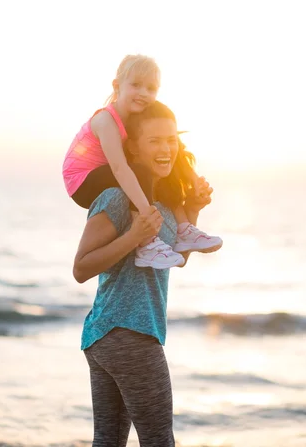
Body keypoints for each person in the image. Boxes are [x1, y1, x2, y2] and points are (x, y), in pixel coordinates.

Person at [73, 101, 216, 447]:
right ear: (132, 148)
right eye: (154, 141)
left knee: (108, 441)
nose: (166, 149)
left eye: (171, 140)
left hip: (112, 336)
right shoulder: (116, 198)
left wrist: (193, 211)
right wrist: (133, 238)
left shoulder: (165, 207)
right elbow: (81, 268)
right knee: (158, 440)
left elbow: (175, 261)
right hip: (127, 332)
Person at [63, 54, 222, 270]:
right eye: (136, 85)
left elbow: (177, 147)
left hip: (108, 172)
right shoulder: (106, 120)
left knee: (162, 161)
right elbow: (120, 168)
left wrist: (194, 181)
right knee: (141, 171)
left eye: (151, 88)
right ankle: (147, 244)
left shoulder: (137, 118)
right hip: (82, 181)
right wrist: (146, 212)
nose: (143, 93)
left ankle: (184, 229)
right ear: (117, 86)